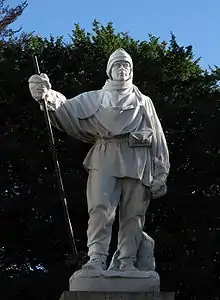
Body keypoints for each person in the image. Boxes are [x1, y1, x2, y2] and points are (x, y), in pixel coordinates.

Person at [28, 48, 170, 273]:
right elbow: (66, 108)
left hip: (137, 160)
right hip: (104, 156)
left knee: (134, 214)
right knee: (100, 209)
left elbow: (157, 137)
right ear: (109, 70)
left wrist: (161, 172)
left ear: (131, 71)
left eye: (126, 65)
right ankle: (96, 258)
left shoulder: (144, 102)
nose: (122, 69)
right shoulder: (95, 98)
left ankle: (127, 262)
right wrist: (46, 94)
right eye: (117, 65)